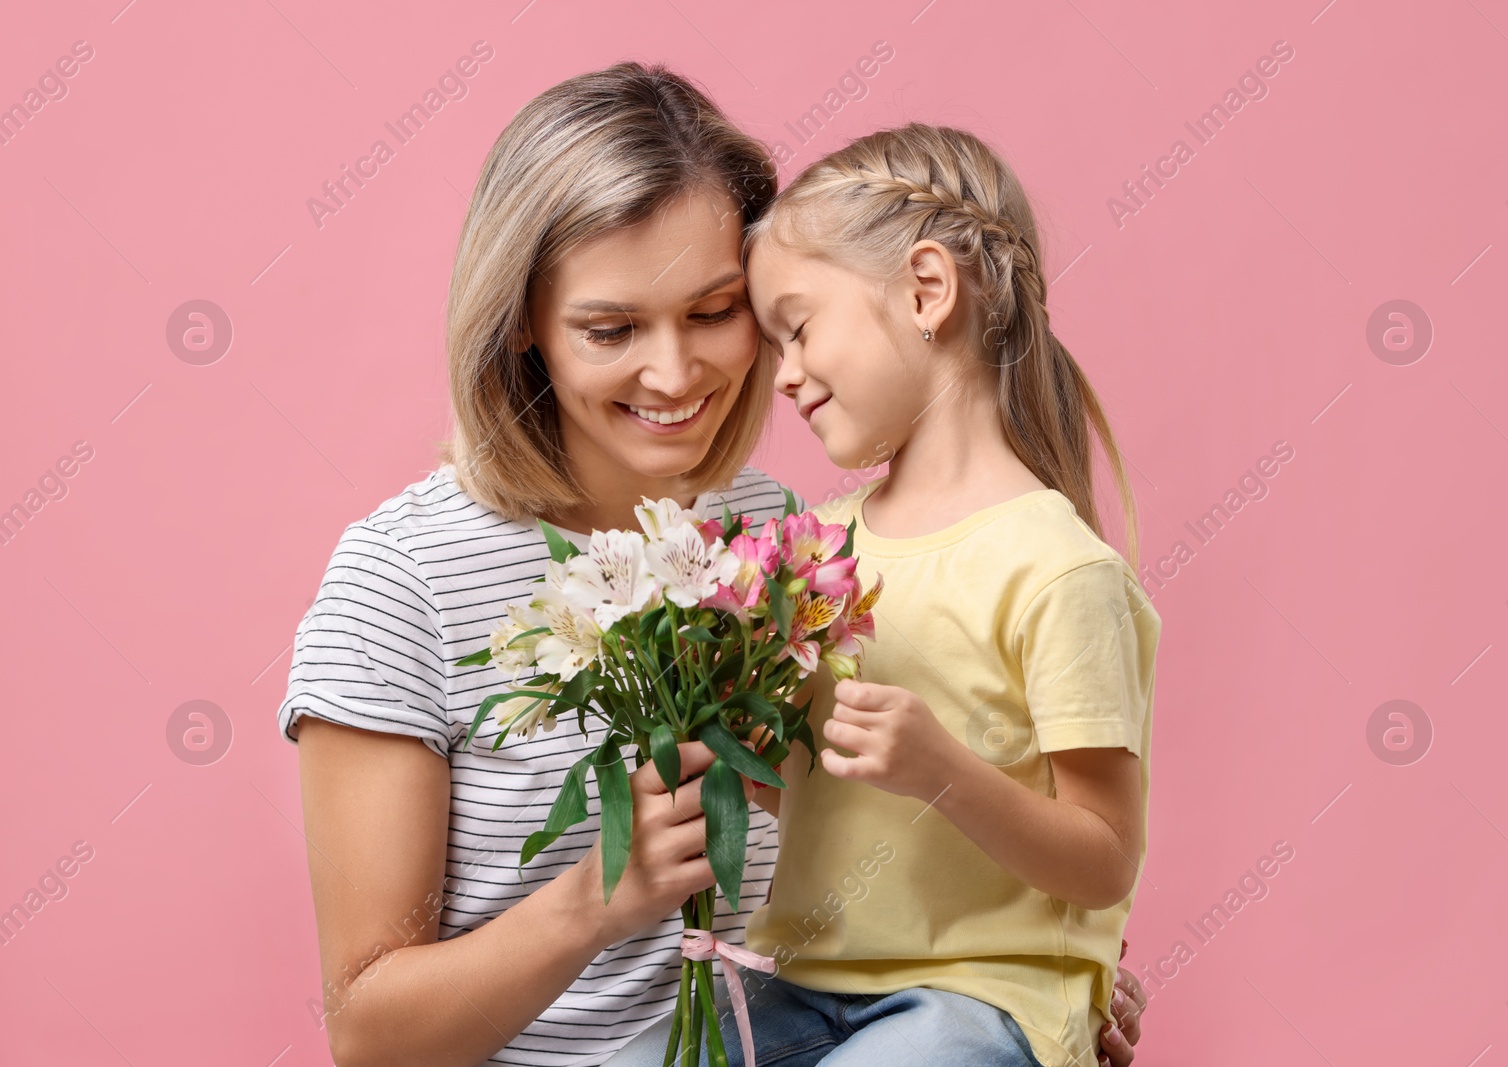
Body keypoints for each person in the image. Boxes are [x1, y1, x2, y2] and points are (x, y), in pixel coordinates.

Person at [278, 63, 1148, 1067]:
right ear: (520, 321)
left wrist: (1027, 976)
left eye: (713, 310)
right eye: (610, 328)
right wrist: (591, 901)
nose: (675, 373)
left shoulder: (770, 537)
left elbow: (893, 827)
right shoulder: (400, 582)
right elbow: (370, 1036)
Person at [611, 123, 1159, 1067]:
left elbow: (1105, 854)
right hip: (801, 983)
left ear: (925, 291)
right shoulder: (819, 548)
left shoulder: (1059, 570)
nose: (780, 373)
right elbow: (818, 788)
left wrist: (943, 768)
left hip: (976, 999)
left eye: (799, 326)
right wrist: (727, 765)